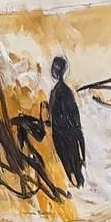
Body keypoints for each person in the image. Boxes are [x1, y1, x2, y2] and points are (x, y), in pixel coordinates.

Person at [48, 55, 86, 187]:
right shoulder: (68, 92)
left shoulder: (54, 93)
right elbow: (76, 118)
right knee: (75, 167)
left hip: (60, 137)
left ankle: (74, 185)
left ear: (53, 71)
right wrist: (81, 145)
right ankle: (78, 184)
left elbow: (52, 118)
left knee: (68, 168)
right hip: (71, 135)